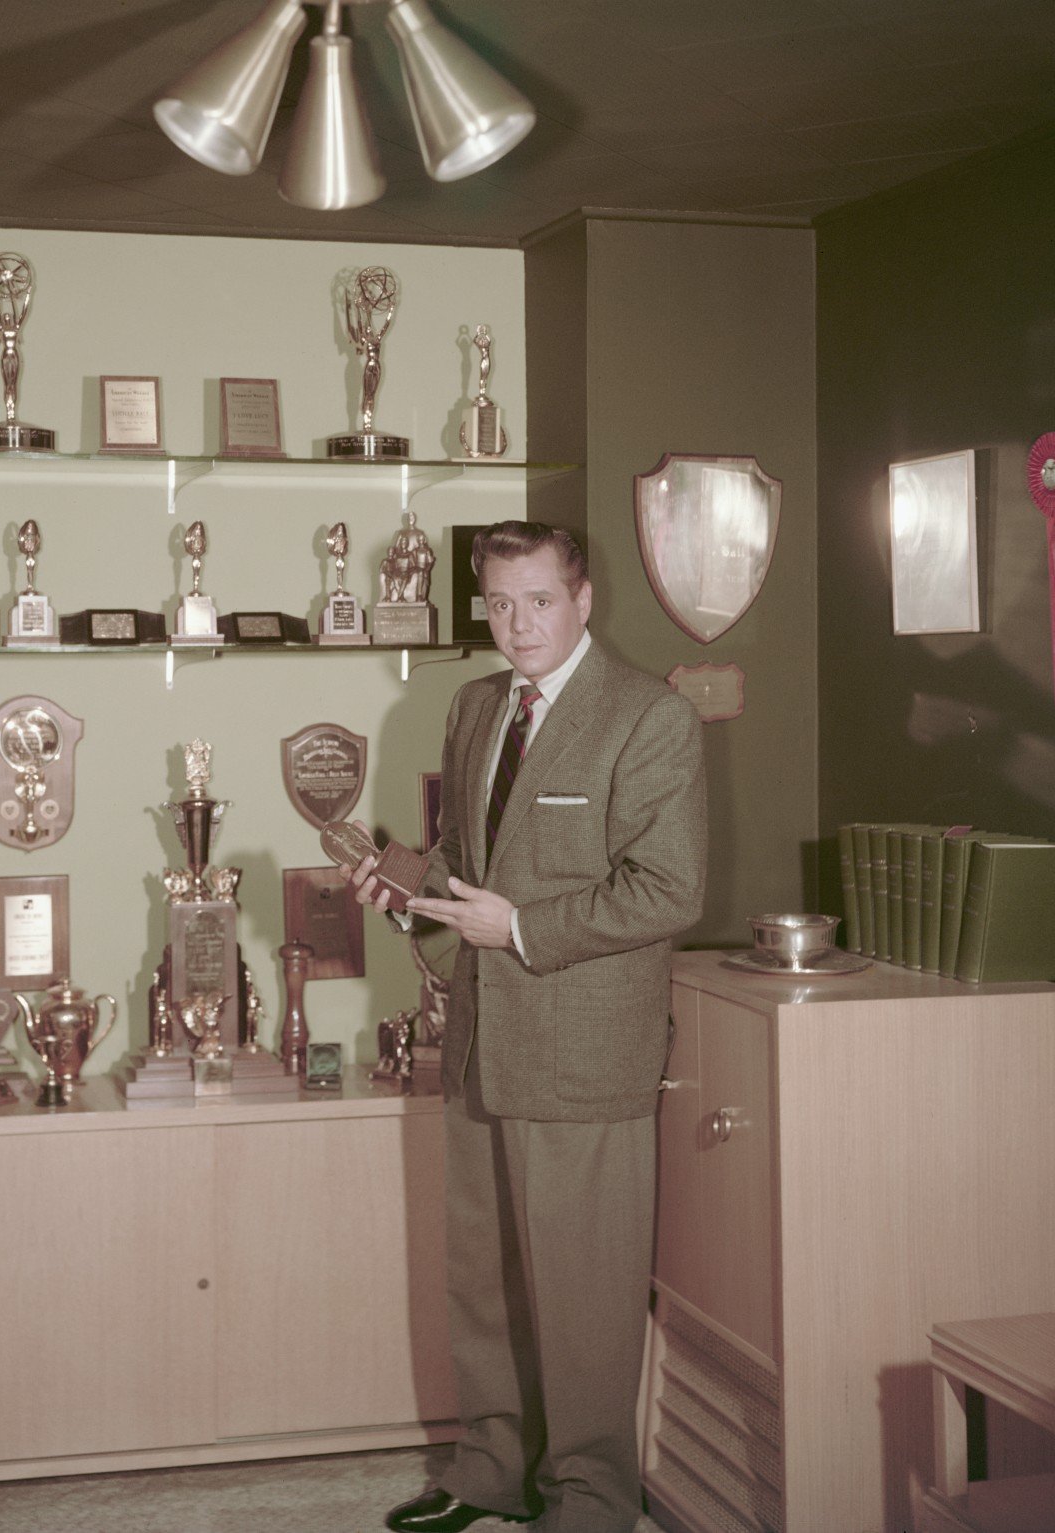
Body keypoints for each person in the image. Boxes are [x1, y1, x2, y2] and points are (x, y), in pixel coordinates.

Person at [353, 520, 706, 1533]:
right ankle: (490, 1469)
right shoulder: (476, 707)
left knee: (586, 1297)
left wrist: (522, 928)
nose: (518, 625)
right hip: (482, 1038)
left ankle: (592, 1499)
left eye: (539, 601)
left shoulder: (647, 717)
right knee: (486, 1277)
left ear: (584, 599)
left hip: (585, 1051)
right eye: (500, 604)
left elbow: (671, 889)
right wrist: (402, 876)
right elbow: (473, 855)